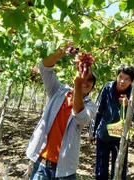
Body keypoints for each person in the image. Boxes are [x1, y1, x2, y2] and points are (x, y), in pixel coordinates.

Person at [26, 42, 97, 180]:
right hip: (42, 165)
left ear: (92, 89)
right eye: (83, 77)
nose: (85, 81)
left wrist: (77, 84)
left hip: (65, 170)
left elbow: (80, 117)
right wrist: (62, 51)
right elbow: (44, 68)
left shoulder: (91, 107)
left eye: (89, 81)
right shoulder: (58, 91)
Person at [89, 64, 134, 180]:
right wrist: (92, 132)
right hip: (103, 135)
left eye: (127, 79)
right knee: (100, 171)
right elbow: (98, 110)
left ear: (132, 81)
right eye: (120, 77)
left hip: (121, 138)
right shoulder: (108, 87)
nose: (122, 81)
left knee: (119, 170)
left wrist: (129, 105)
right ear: (117, 76)